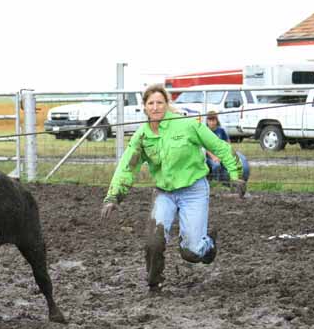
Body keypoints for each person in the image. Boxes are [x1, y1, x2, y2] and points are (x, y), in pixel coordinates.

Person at [100, 84, 246, 293]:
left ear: (167, 105)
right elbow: (127, 167)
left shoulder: (187, 125)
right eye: (151, 103)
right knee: (153, 242)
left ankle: (208, 246)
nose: (156, 107)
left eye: (160, 102)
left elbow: (219, 146)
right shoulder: (142, 137)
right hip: (164, 193)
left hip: (193, 190)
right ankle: (154, 282)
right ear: (144, 107)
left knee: (191, 252)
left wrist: (236, 175)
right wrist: (113, 196)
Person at [204, 111, 250, 182]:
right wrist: (213, 157)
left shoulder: (221, 131)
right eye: (210, 120)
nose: (212, 122)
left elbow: (227, 143)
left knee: (234, 163)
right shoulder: (205, 132)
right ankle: (216, 182)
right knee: (216, 165)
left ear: (217, 120)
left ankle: (235, 180)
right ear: (207, 121)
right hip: (210, 156)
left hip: (222, 154)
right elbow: (206, 147)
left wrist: (228, 154)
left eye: (214, 120)